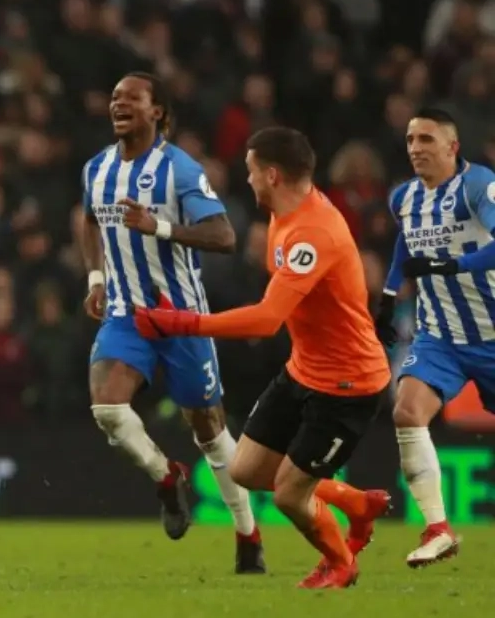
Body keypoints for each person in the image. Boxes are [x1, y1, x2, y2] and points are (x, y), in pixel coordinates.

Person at [133, 126, 393, 589]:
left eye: (252, 170)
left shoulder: (312, 234)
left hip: (347, 386)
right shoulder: (283, 217)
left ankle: (340, 563)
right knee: (246, 470)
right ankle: (356, 504)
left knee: (290, 497)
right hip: (304, 371)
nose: (248, 178)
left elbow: (267, 320)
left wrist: (185, 323)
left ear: (272, 175)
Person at [79, 72, 263, 573]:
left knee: (210, 431)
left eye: (131, 98)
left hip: (182, 318)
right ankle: (167, 478)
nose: (118, 104)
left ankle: (248, 533)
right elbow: (90, 219)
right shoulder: (97, 168)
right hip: (126, 314)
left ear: (156, 111)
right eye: (114, 97)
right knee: (107, 407)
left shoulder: (179, 169)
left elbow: (224, 236)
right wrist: (96, 277)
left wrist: (157, 226)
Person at [374, 108, 495, 567]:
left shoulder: (479, 185)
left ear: (452, 147)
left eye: (426, 139)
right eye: (410, 140)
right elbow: (406, 243)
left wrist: (451, 266)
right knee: (407, 411)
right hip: (439, 336)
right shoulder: (403, 197)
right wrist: (388, 298)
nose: (416, 148)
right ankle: (438, 530)